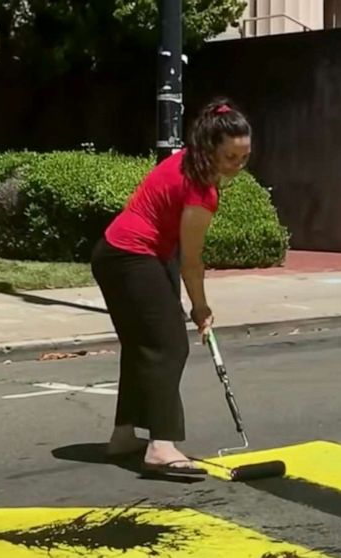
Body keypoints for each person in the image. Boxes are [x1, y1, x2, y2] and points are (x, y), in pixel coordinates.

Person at [89, 98, 251, 476]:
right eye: (230, 157)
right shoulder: (200, 192)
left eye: (244, 158)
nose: (237, 167)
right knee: (169, 345)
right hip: (130, 255)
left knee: (141, 343)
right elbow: (192, 261)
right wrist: (200, 307)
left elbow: (172, 250)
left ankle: (124, 435)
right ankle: (161, 445)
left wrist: (178, 298)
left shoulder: (184, 158)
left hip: (116, 253)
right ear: (210, 148)